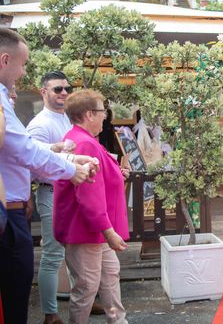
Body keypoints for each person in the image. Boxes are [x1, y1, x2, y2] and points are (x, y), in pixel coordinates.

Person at [0, 27, 98, 324]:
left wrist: (67, 159)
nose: (23, 71)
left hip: (18, 204)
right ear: (5, 60)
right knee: (25, 282)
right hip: (23, 203)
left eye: (67, 89)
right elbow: (25, 150)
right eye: (23, 63)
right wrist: (72, 169)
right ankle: (50, 312)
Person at [54, 89, 129, 324]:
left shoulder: (81, 139)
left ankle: (118, 320)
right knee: (86, 288)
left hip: (95, 229)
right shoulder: (84, 143)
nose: (105, 116)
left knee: (109, 277)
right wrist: (108, 231)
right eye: (102, 111)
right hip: (88, 230)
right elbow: (88, 196)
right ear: (89, 114)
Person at [27, 71, 74, 324]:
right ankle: (50, 313)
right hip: (52, 192)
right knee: (53, 254)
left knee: (76, 252)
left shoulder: (65, 118)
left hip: (69, 192)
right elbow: (30, 163)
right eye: (58, 89)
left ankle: (82, 300)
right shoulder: (39, 124)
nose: (64, 93)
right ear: (43, 92)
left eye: (67, 88)